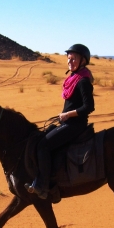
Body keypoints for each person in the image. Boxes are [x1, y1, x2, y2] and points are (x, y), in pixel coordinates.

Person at [27, 44, 95, 199]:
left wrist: (68, 115)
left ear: (83, 60)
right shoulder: (73, 78)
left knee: (44, 145)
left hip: (75, 125)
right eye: (68, 59)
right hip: (68, 123)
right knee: (42, 136)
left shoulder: (83, 81)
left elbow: (89, 107)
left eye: (74, 59)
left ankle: (43, 185)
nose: (70, 62)